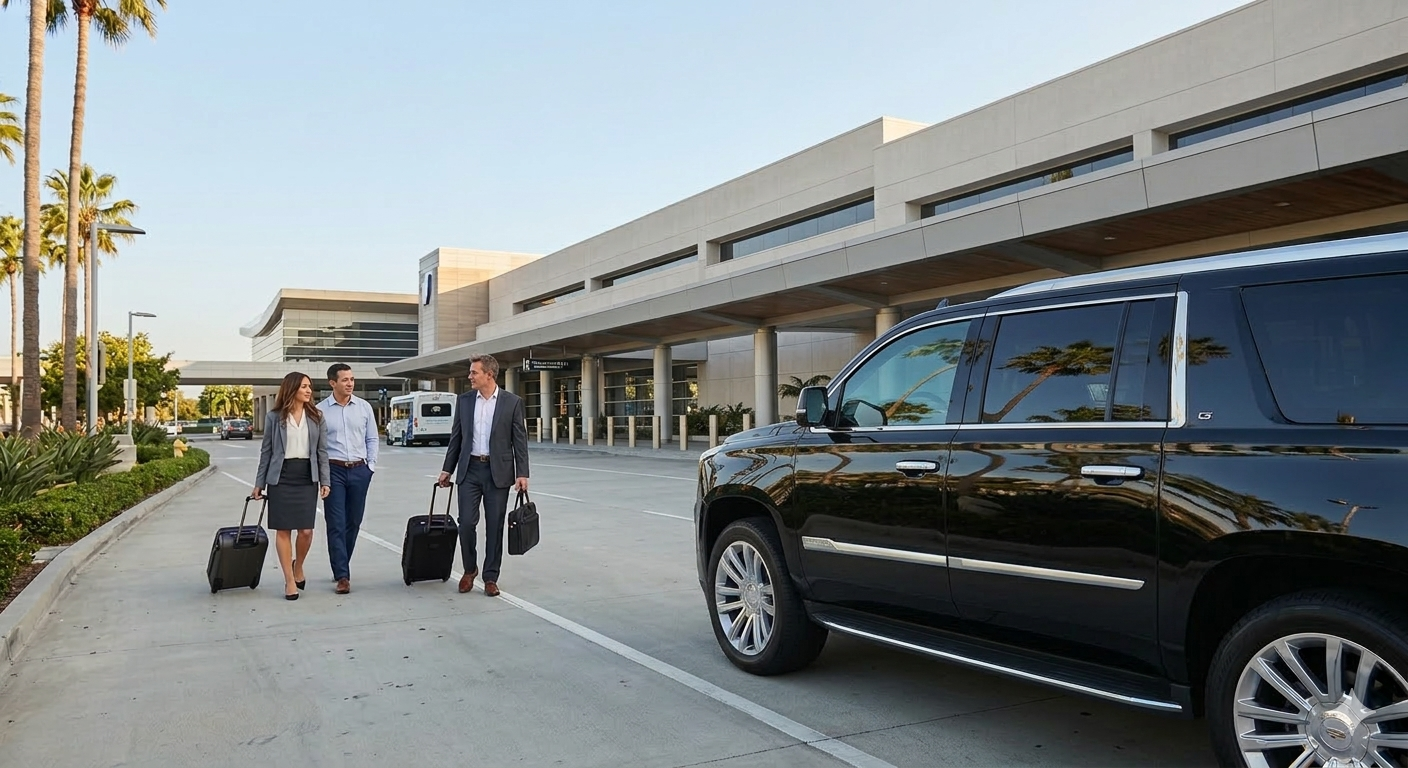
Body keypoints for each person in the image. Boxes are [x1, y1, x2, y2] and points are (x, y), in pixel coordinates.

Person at [437, 354, 529, 597]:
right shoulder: (465, 401)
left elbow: (520, 441)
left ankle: (491, 576)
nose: (469, 376)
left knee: (495, 526)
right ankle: (470, 569)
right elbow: (456, 438)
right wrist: (448, 468)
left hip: (498, 472)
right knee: (466, 523)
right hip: (469, 470)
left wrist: (522, 473)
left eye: (474, 372)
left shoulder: (512, 402)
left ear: (489, 374)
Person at [253, 372, 331, 601]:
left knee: (306, 531)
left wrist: (325, 480)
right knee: (283, 530)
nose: (309, 391)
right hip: (281, 478)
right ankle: (289, 580)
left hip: (307, 477)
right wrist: (259, 483)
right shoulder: (274, 417)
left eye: (310, 387)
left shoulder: (317, 416)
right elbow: (266, 451)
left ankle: (299, 566)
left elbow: (322, 452)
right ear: (292, 389)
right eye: (304, 386)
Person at [317, 363, 379, 595]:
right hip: (333, 471)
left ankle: (341, 564)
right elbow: (318, 446)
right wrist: (322, 477)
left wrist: (370, 467)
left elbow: (372, 438)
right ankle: (342, 575)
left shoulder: (363, 407)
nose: (350, 383)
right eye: (345, 380)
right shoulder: (320, 410)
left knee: (353, 522)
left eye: (352, 379)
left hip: (359, 471)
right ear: (333, 383)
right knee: (336, 523)